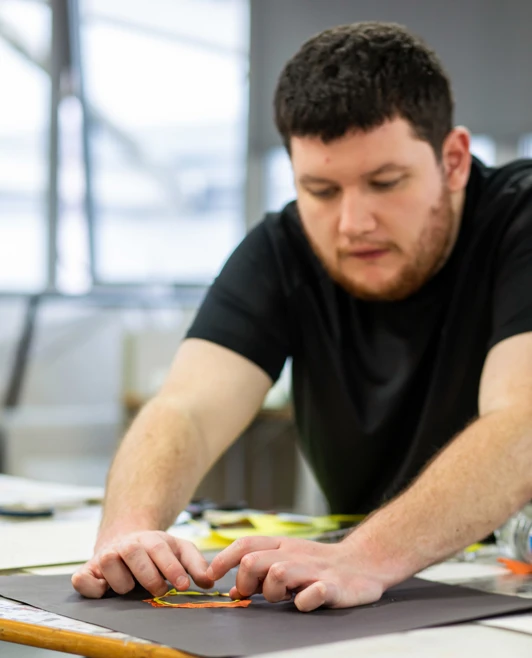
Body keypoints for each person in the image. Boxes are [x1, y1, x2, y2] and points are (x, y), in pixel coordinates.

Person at [72, 21, 532, 612]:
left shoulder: (520, 220)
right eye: (320, 189)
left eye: (385, 182)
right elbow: (184, 409)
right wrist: (128, 533)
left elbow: (520, 423)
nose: (352, 223)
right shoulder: (283, 247)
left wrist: (364, 557)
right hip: (380, 598)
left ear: (454, 160)